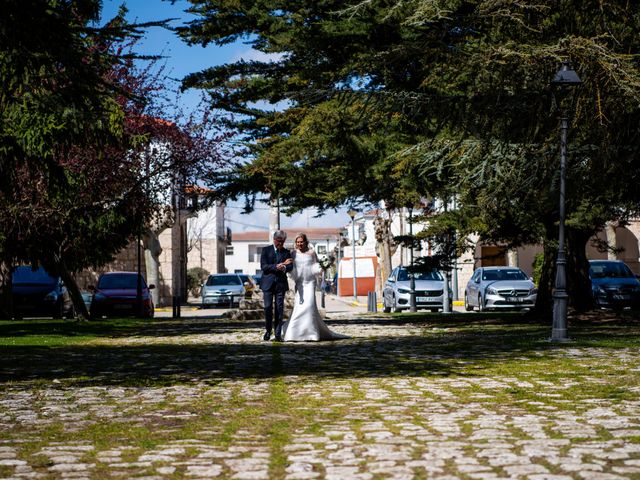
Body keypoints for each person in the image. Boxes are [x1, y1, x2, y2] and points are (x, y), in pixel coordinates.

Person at [282, 233, 348, 342]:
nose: (299, 244)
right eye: (297, 242)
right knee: (299, 307)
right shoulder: (293, 253)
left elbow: (315, 266)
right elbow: (292, 268)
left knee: (309, 306)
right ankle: (294, 333)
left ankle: (311, 333)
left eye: (301, 242)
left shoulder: (312, 253)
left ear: (305, 242)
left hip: (310, 283)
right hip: (300, 283)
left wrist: (321, 267)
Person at [259, 230, 293, 341]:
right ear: (274, 240)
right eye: (279, 241)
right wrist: (278, 266)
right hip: (267, 284)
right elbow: (264, 267)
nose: (281, 244)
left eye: (283, 241)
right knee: (267, 307)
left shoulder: (286, 252)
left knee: (279, 309)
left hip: (280, 284)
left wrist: (284, 267)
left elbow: (290, 267)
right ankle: (268, 331)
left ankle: (278, 333)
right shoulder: (265, 250)